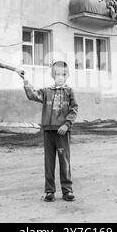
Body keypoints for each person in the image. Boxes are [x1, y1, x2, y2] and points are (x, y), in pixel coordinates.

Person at [20, 61, 78, 202]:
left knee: (64, 161)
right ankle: (49, 191)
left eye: (63, 74)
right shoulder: (46, 91)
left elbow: (74, 109)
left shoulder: (69, 91)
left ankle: (67, 190)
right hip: (48, 132)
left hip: (62, 132)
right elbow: (32, 95)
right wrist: (26, 80)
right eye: (57, 74)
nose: (60, 77)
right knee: (49, 162)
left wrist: (66, 124)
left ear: (67, 75)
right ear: (53, 75)